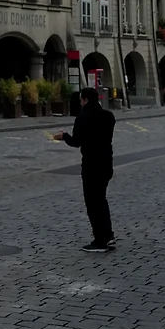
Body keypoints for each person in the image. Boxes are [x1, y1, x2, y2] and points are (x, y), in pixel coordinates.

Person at [55, 87, 116, 252]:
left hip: (91, 165)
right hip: (106, 163)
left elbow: (76, 142)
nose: (81, 103)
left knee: (93, 203)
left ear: (86, 100)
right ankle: (108, 235)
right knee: (101, 200)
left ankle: (100, 241)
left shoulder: (83, 117)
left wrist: (64, 136)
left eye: (81, 100)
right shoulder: (109, 116)